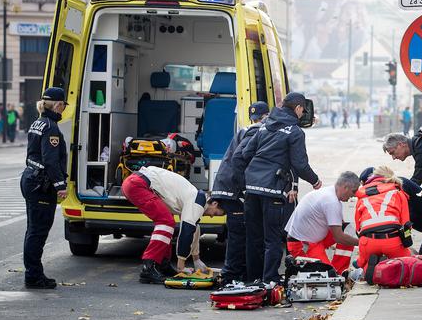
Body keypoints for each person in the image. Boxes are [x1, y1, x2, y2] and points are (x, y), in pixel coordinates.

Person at [241, 92, 321, 283]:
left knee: (254, 238)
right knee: (273, 239)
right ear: (298, 108)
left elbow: (245, 153)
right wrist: (315, 181)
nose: (302, 115)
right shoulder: (295, 132)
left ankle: (253, 279)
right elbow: (300, 164)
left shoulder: (264, 127)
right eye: (303, 111)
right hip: (273, 191)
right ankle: (269, 279)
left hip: (251, 188)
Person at [122, 166, 224, 284]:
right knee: (166, 222)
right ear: (214, 203)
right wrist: (181, 265)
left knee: (168, 221)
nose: (211, 216)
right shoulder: (197, 201)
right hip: (138, 184)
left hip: (135, 182)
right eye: (215, 213)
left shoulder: (195, 196)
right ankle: (148, 268)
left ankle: (163, 265)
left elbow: (194, 229)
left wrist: (197, 259)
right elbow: (187, 232)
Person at [208, 101, 269, 284]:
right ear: (266, 116)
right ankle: (231, 276)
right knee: (238, 235)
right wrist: (244, 187)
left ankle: (236, 273)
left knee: (239, 233)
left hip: (227, 187)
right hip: (233, 191)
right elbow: (241, 159)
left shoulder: (245, 129)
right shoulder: (256, 131)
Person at [21, 88, 69, 289]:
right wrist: (60, 185)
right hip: (41, 184)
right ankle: (33, 276)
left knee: (33, 230)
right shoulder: (51, 127)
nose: (64, 108)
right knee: (38, 232)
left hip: (31, 179)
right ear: (58, 105)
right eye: (64, 105)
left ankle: (33, 273)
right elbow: (50, 161)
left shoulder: (38, 122)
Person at [285, 172, 360, 274]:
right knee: (328, 275)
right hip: (302, 245)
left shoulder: (329, 192)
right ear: (345, 187)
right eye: (353, 191)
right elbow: (339, 237)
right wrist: (362, 243)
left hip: (311, 238)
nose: (354, 196)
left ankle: (339, 271)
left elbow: (340, 226)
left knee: (347, 230)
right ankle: (334, 273)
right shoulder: (331, 202)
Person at [355, 166, 412, 282]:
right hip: (392, 240)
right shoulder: (398, 193)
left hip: (368, 242)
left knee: (363, 261)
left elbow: (358, 228)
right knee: (406, 263)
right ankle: (391, 268)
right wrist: (406, 243)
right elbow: (406, 224)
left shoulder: (362, 196)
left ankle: (367, 269)